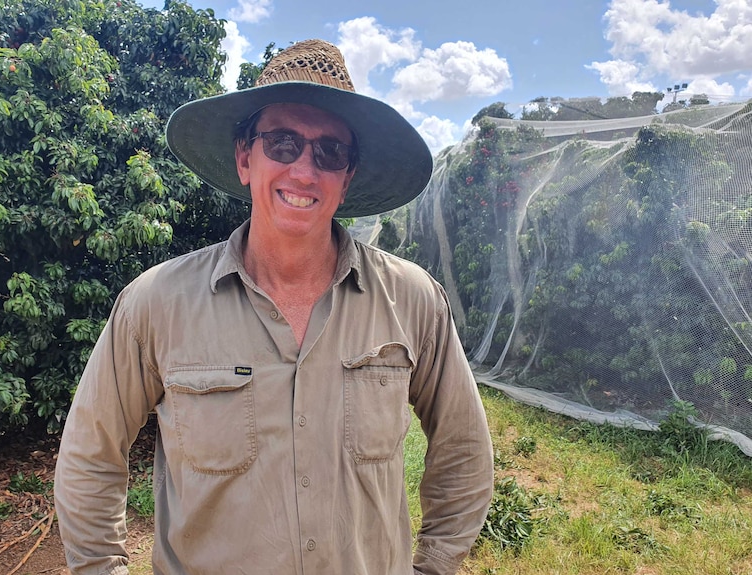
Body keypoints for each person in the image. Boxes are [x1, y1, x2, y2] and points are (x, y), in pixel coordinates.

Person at [54, 39, 493, 575]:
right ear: (245, 158)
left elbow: (464, 451)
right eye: (283, 143)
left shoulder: (412, 299)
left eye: (330, 151)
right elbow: (90, 457)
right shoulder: (156, 303)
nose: (305, 171)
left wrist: (434, 566)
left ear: (347, 175)